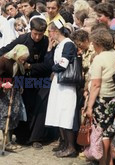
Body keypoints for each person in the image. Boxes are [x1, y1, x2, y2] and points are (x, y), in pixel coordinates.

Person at [0, 17, 54, 149]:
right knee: (25, 107)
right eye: (35, 33)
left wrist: (30, 67)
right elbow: (3, 51)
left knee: (40, 107)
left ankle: (37, 138)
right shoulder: (23, 40)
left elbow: (49, 65)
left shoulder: (46, 42)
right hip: (24, 79)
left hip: (41, 79)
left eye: (40, 34)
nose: (37, 37)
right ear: (30, 30)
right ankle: (23, 136)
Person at [85, 29, 115, 165]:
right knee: (110, 131)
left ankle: (104, 161)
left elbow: (96, 85)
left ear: (98, 43)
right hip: (114, 98)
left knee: (102, 132)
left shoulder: (99, 58)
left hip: (102, 99)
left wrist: (89, 106)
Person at [45, 19, 78, 158]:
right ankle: (64, 142)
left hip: (66, 84)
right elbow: (48, 62)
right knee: (58, 112)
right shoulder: (58, 45)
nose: (49, 34)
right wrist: (49, 48)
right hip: (57, 83)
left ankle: (71, 146)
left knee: (66, 114)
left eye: (50, 31)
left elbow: (62, 65)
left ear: (55, 31)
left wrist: (53, 70)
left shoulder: (68, 44)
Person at [0, 44, 29, 151]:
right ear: (16, 54)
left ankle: (10, 140)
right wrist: (3, 85)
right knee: (5, 116)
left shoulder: (20, 62)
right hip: (2, 91)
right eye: (22, 59)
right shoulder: (3, 60)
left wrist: (20, 85)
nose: (23, 61)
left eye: (24, 59)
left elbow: (19, 75)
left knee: (13, 115)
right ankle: (6, 142)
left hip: (13, 91)